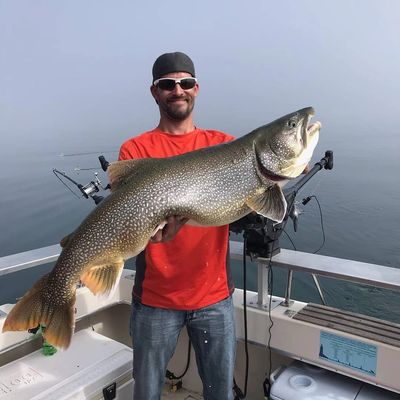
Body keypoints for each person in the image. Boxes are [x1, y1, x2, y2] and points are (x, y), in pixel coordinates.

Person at [118, 52, 236, 400]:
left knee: (220, 393)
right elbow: (128, 219)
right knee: (147, 393)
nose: (177, 90)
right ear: (155, 92)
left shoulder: (224, 145)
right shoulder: (136, 149)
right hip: (155, 299)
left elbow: (254, 192)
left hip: (215, 297)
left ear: (196, 88)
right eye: (167, 84)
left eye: (185, 83)